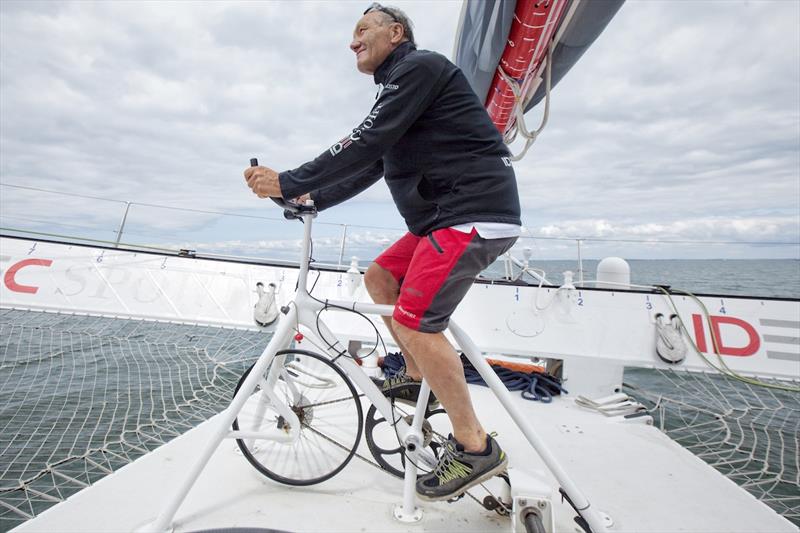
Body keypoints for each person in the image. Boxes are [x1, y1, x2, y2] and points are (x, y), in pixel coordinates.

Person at [243, 3, 521, 502]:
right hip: (441, 218)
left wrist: (288, 179)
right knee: (379, 279)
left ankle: (476, 448)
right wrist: (305, 199)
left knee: (415, 322)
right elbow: (370, 163)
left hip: (471, 212)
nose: (352, 41)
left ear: (396, 33)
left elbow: (364, 141)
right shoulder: (403, 94)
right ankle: (416, 378)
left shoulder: (419, 68)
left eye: (361, 29)